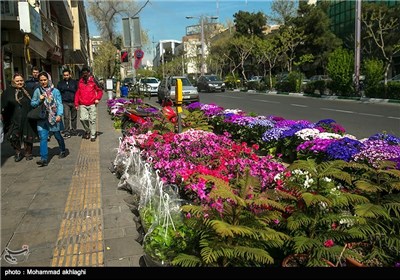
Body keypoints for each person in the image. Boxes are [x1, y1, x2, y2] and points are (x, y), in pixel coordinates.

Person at [31, 72, 66, 167]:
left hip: (54, 117)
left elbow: (59, 104)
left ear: (48, 80)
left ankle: (63, 150)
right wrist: (39, 99)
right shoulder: (37, 91)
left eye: (44, 80)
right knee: (43, 137)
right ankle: (44, 159)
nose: (43, 82)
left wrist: (59, 114)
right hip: (42, 118)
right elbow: (33, 104)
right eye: (41, 80)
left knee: (57, 135)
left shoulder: (55, 91)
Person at [1, 73, 38, 161]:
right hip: (13, 119)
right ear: (13, 81)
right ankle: (17, 152)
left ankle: (28, 152)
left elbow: (34, 102)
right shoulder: (7, 92)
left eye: (21, 80)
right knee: (13, 136)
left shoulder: (29, 91)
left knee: (28, 137)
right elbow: (2, 104)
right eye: (17, 81)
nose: (19, 82)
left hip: (27, 118)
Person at [74, 66, 103, 142]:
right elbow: (77, 93)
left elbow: (100, 91)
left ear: (89, 73)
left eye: (86, 73)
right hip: (82, 104)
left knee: (92, 120)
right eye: (83, 73)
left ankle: (93, 135)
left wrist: (97, 99)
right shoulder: (80, 82)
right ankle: (88, 130)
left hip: (92, 104)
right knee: (83, 119)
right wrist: (76, 103)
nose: (84, 75)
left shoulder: (94, 81)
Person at [57, 69, 78, 138]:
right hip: (65, 102)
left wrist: (77, 101)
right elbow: (58, 93)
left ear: (70, 75)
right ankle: (67, 131)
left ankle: (74, 130)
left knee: (74, 117)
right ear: (63, 75)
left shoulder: (74, 82)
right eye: (64, 75)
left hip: (73, 102)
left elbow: (77, 92)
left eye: (67, 75)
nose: (66, 76)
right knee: (66, 117)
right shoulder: (60, 83)